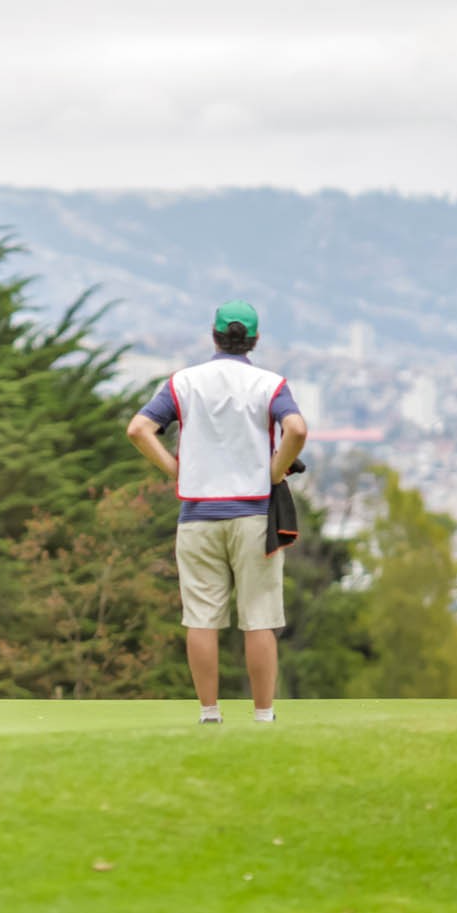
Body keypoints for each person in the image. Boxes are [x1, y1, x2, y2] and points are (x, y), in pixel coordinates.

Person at [125, 300, 307, 725]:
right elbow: (296, 429)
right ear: (254, 340)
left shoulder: (183, 382)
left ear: (214, 335)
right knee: (259, 618)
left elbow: (138, 429)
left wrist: (174, 469)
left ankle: (209, 713)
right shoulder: (270, 384)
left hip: (197, 515)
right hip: (253, 515)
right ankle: (263, 715)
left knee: (201, 618)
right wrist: (275, 471)